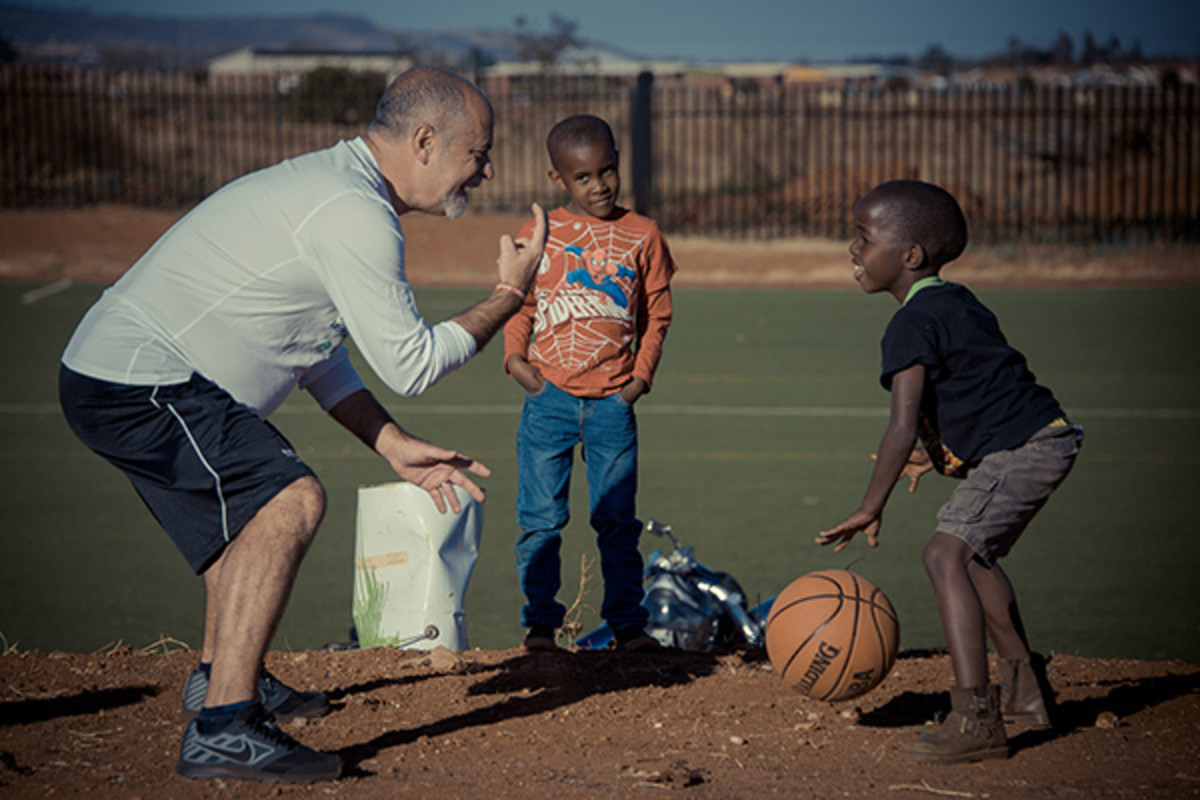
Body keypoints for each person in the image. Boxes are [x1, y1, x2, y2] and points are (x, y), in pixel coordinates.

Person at [58, 66, 547, 784]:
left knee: (244, 524)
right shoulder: (353, 212)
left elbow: (317, 352)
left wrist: (392, 443)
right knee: (288, 499)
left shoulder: (339, 189)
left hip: (126, 376)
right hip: (137, 382)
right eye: (478, 152)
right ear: (424, 141)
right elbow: (411, 365)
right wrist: (510, 294)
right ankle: (224, 728)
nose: (487, 168)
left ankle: (220, 680)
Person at [816, 180, 1083, 764]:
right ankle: (1026, 695)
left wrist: (870, 505)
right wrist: (938, 456)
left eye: (864, 236)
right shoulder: (958, 300)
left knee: (944, 555)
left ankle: (975, 719)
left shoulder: (908, 325)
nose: (853, 249)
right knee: (974, 557)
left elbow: (901, 424)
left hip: (1025, 448)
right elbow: (979, 392)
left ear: (910, 256)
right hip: (1044, 438)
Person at [503, 114, 676, 653]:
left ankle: (628, 625)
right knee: (541, 521)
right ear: (559, 180)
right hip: (547, 399)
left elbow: (657, 315)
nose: (599, 185)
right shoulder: (541, 234)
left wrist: (638, 382)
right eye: (583, 177)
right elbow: (520, 300)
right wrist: (516, 361)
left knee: (617, 522)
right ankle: (540, 627)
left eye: (608, 171)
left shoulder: (643, 235)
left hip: (612, 405)